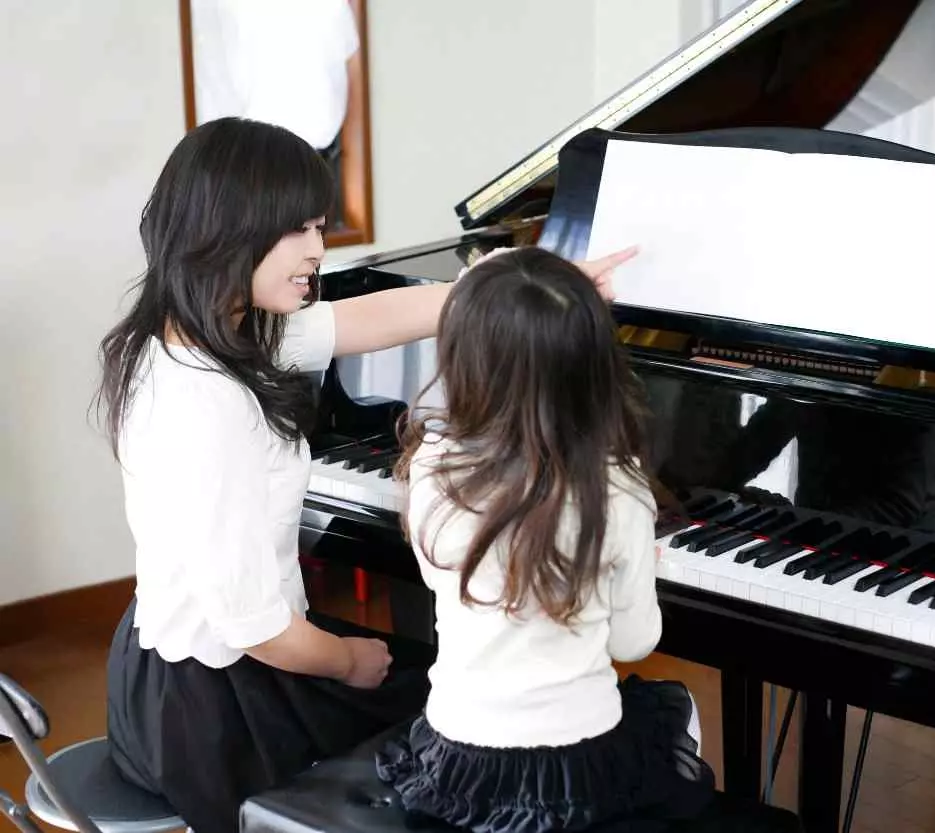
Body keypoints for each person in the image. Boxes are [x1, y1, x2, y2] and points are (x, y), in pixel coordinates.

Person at [95, 116, 636, 833]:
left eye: (318, 226)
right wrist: (348, 657)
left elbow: (362, 320)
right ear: (228, 229)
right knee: (452, 724)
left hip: (181, 667)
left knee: (446, 687)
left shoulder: (201, 332)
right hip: (216, 709)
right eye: (299, 230)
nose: (318, 250)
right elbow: (254, 625)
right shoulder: (203, 403)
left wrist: (525, 287)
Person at [376, 247, 716, 832]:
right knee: (673, 707)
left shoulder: (430, 466)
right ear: (594, 364)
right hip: (576, 769)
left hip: (458, 755)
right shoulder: (616, 486)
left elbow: (443, 583)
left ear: (462, 356)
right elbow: (635, 643)